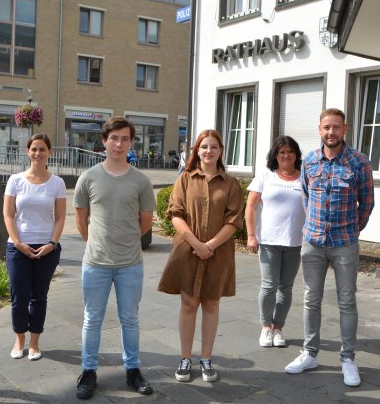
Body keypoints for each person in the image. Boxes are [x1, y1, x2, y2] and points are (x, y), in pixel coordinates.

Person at [284, 108, 374, 388]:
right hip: (312, 243)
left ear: (344, 129)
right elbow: (306, 197)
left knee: (347, 302)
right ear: (319, 129)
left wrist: (352, 229)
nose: (331, 132)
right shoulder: (309, 161)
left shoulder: (358, 162)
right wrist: (314, 226)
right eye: (326, 127)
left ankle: (347, 359)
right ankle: (310, 353)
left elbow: (367, 203)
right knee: (311, 299)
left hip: (344, 243)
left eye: (336, 127)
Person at [73, 117, 156, 400]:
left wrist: (125, 241)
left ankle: (133, 370)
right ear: (104, 141)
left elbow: (145, 223)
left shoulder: (141, 181)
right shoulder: (89, 177)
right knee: (91, 319)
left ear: (131, 143)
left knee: (130, 319)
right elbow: (81, 221)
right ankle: (88, 371)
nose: (119, 144)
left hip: (130, 263)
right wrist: (97, 242)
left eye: (124, 139)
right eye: (114, 138)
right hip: (95, 262)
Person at [158, 129, 244, 383]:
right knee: (188, 304)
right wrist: (196, 243)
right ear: (197, 150)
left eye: (214, 147)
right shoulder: (185, 179)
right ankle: (185, 357)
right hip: (187, 250)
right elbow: (175, 214)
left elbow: (234, 220)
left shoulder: (230, 184)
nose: (209, 151)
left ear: (221, 151)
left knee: (211, 304)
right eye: (204, 147)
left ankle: (206, 358)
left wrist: (211, 245)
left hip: (218, 253)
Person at [3, 134, 66, 361]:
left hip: (46, 249)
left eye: (42, 149)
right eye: (34, 149)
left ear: (49, 152)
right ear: (28, 152)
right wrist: (18, 243)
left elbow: (59, 218)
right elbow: (8, 215)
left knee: (39, 297)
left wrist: (52, 243)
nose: (38, 153)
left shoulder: (57, 183)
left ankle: (35, 343)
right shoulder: (15, 180)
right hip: (18, 247)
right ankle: (19, 339)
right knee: (19, 297)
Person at [245, 136, 305, 348]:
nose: (286, 156)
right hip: (269, 240)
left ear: (296, 155)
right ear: (275, 155)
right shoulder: (266, 175)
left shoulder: (304, 177)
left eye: (290, 152)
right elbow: (250, 206)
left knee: (286, 288)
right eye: (281, 152)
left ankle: (278, 329)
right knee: (269, 286)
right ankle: (265, 327)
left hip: (295, 241)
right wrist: (251, 235)